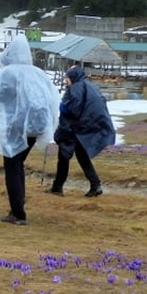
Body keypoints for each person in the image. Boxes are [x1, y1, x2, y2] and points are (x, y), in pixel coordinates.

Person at [0, 36, 59, 226]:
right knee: (17, 165)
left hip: (15, 127)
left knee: (12, 167)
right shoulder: (39, 73)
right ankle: (17, 208)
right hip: (36, 128)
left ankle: (18, 213)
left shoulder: (7, 74)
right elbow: (52, 100)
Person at [48, 65, 115, 197]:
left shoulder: (76, 88)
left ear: (73, 77)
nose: (66, 80)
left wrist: (62, 107)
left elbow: (73, 109)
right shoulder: (90, 85)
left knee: (64, 156)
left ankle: (58, 188)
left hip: (75, 127)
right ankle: (95, 185)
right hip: (85, 127)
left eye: (67, 77)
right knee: (82, 156)